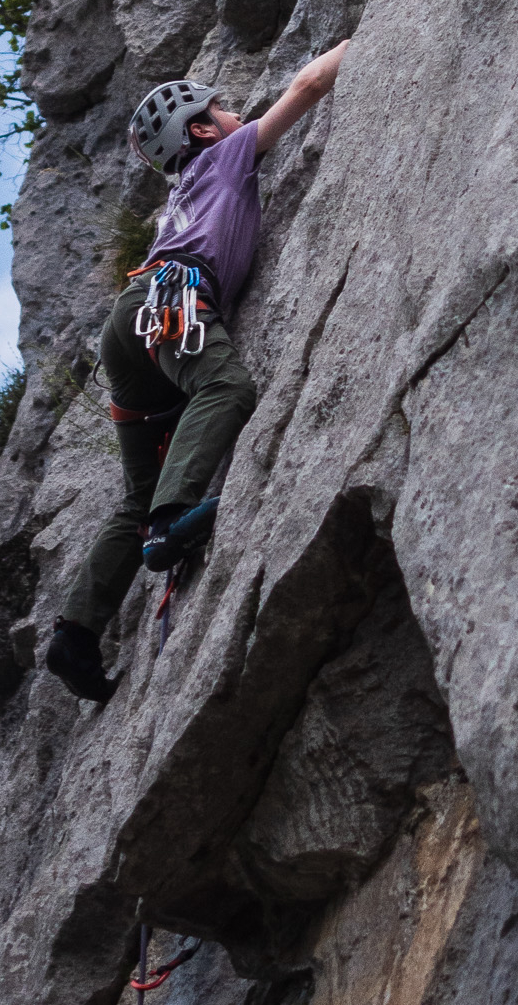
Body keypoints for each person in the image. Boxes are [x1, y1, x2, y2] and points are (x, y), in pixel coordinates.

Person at [45, 41, 351, 703]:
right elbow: (308, 84)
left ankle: (75, 632)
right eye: (224, 108)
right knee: (225, 387)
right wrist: (366, 32)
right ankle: (170, 522)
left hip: (130, 325)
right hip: (170, 301)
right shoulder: (226, 154)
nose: (236, 113)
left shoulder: (183, 190)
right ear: (204, 131)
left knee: (136, 492)